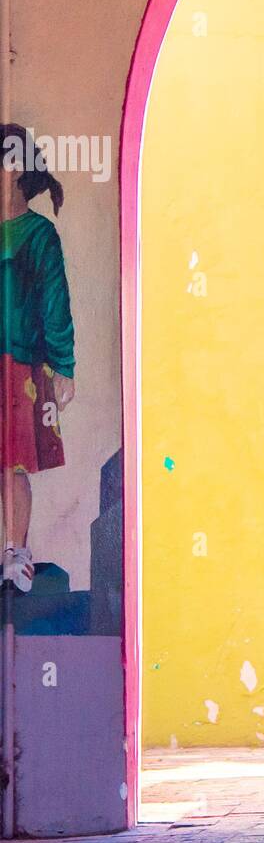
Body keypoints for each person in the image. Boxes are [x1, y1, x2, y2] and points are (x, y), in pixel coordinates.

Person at [0, 123, 75, 594]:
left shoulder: (39, 234)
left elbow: (55, 303)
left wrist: (63, 366)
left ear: (17, 172)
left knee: (13, 464)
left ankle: (15, 553)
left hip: (20, 364)